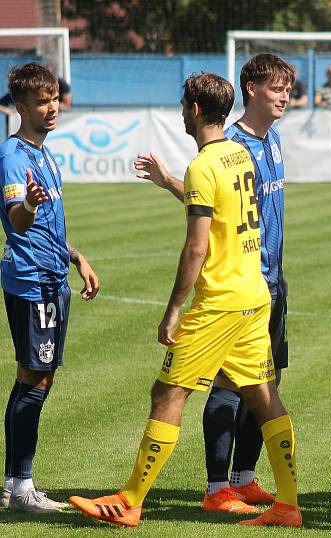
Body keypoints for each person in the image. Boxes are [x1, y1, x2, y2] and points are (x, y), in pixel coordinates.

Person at [68, 72, 301, 528]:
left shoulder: (205, 163)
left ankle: (130, 501)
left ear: (194, 110)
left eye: (182, 107)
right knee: (264, 395)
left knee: (168, 392)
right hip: (255, 294)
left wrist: (173, 308)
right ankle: (288, 505)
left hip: (221, 301)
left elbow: (197, 246)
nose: (180, 114)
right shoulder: (240, 154)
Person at [133, 54, 294, 515]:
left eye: (287, 88)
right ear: (249, 91)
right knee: (230, 387)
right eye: (276, 87)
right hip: (244, 279)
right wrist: (170, 182)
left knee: (262, 385)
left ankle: (243, 480)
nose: (284, 95)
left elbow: (214, 211)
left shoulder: (267, 141)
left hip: (264, 282)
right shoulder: (235, 145)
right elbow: (213, 207)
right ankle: (218, 484)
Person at [0, 62, 99, 513]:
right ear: (20, 107)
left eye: (55, 98)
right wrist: (30, 206)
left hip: (54, 274)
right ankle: (21, 487)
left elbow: (48, 229)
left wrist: (77, 258)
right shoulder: (13, 156)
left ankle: (14, 483)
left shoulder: (44, 153)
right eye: (42, 101)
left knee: (38, 377)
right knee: (33, 377)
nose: (52, 107)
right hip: (31, 280)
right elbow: (18, 222)